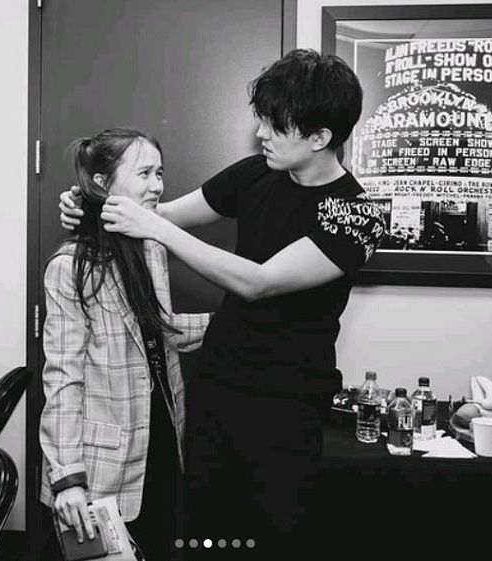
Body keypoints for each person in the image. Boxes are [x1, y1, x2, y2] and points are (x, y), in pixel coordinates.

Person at [61, 49, 386, 557]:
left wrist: (153, 227)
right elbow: (163, 212)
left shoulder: (358, 216)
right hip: (216, 390)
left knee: (271, 538)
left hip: (284, 407)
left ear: (320, 137)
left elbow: (258, 281)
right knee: (208, 534)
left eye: (276, 126)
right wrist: (91, 206)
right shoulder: (256, 172)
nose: (261, 134)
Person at [39, 128, 210, 561]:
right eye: (144, 173)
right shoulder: (71, 266)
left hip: (161, 436)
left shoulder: (152, 246)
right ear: (103, 183)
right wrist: (67, 477)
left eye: (160, 173)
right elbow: (63, 378)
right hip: (102, 459)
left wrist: (233, 324)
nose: (157, 185)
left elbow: (158, 331)